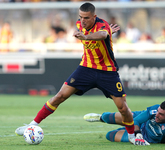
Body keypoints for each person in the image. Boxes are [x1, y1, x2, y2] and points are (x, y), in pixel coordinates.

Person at [15, 2, 142, 146]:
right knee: (60, 96)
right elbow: (99, 33)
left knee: (122, 107)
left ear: (94, 17)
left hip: (107, 71)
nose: (83, 21)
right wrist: (94, 34)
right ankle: (32, 124)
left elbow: (102, 34)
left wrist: (92, 36)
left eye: (86, 18)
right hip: (86, 68)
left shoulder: (103, 25)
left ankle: (132, 135)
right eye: (81, 17)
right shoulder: (80, 24)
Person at [84, 100, 165, 146]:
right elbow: (136, 121)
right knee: (107, 117)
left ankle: (126, 131)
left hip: (145, 138)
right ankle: (100, 117)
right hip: (138, 120)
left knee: (109, 135)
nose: (157, 115)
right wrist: (137, 134)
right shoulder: (155, 110)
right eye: (157, 111)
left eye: (161, 114)